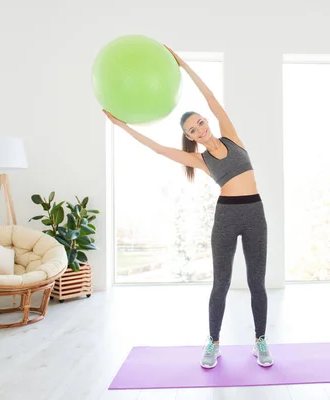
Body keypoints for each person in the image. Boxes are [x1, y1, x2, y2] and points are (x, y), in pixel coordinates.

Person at [103, 46, 273, 369]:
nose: (199, 130)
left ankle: (260, 341)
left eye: (199, 123)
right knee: (220, 283)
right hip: (226, 215)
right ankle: (213, 342)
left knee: (256, 283)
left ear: (206, 121)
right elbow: (158, 149)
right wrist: (122, 127)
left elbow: (210, 97)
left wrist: (183, 64)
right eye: (192, 131)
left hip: (254, 213)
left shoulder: (232, 137)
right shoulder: (200, 160)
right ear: (191, 138)